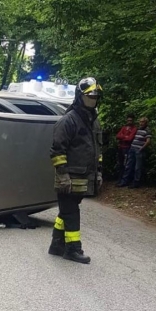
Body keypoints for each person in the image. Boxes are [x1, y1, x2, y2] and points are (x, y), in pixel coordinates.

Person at [48, 77, 104, 264]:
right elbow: (57, 150)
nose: (93, 100)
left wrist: (98, 172)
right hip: (69, 177)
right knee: (71, 211)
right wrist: (63, 175)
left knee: (67, 210)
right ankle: (73, 248)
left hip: (84, 177)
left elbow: (97, 149)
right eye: (90, 96)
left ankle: (56, 245)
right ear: (80, 97)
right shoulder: (69, 120)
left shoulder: (93, 121)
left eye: (96, 96)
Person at [117, 117, 152, 188]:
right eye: (140, 122)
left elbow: (148, 141)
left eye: (142, 122)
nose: (141, 123)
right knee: (128, 166)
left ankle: (136, 183)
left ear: (146, 123)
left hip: (139, 150)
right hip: (132, 148)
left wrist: (141, 148)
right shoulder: (138, 129)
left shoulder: (147, 130)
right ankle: (124, 181)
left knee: (137, 167)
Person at [116, 114, 137, 184]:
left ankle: (125, 181)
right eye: (128, 120)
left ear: (133, 121)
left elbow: (130, 138)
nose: (129, 122)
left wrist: (123, 137)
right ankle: (119, 179)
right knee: (120, 164)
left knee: (127, 165)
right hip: (121, 148)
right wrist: (125, 136)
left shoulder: (134, 128)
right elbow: (118, 136)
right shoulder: (124, 128)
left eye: (131, 120)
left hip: (128, 148)